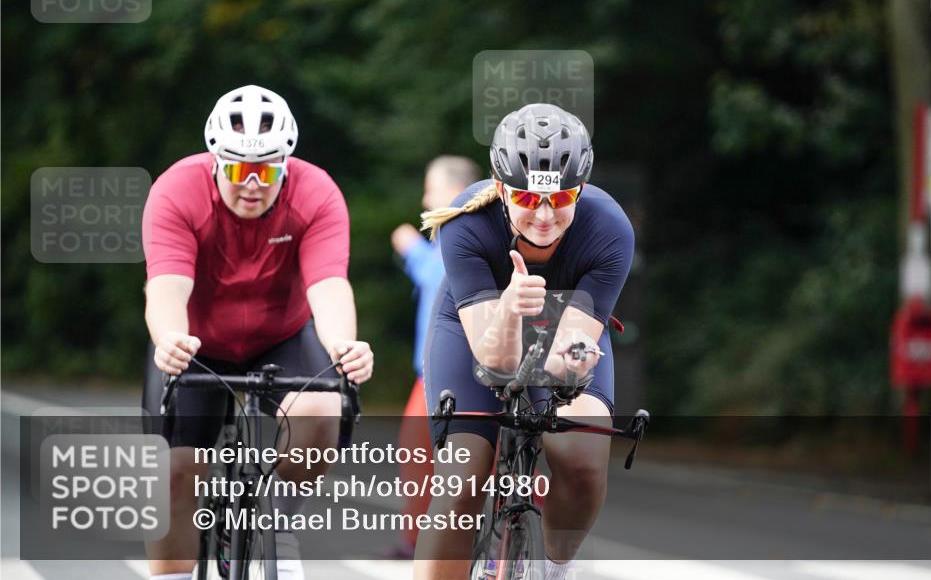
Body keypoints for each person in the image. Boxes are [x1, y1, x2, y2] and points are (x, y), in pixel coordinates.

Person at [140, 85, 374, 580]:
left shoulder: (316, 192)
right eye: (237, 170)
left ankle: (275, 522)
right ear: (215, 162)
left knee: (322, 410)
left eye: (266, 171)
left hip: (279, 336)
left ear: (285, 165)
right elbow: (165, 287)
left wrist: (343, 346)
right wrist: (169, 339)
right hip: (194, 342)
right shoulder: (176, 189)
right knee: (175, 474)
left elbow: (329, 285)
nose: (251, 184)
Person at [413, 104, 634, 580]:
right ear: (500, 189)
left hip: (565, 325)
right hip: (478, 326)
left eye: (561, 198)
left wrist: (573, 363)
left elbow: (571, 348)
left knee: (582, 458)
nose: (545, 215)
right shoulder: (467, 222)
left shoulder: (609, 229)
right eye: (529, 199)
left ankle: (553, 569)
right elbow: (494, 361)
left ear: (581, 189)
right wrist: (511, 308)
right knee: (461, 481)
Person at [389, 155, 481, 559]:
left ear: (454, 192)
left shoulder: (462, 233)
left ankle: (420, 544)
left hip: (451, 369)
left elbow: (437, 277)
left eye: (431, 189)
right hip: (441, 368)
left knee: (423, 449)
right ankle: (418, 541)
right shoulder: (453, 233)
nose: (426, 199)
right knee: (423, 450)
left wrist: (410, 248)